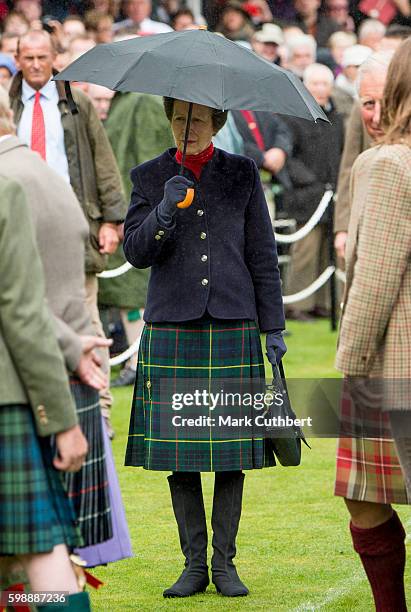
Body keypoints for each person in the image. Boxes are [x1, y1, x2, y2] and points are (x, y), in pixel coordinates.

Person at [123, 98, 286, 598]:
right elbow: (135, 252)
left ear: (215, 123)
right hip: (173, 325)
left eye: (196, 120)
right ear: (170, 122)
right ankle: (193, 565)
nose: (186, 128)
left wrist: (273, 328)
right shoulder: (150, 176)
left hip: (233, 322)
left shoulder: (241, 173)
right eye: (178, 119)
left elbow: (262, 253)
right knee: (183, 456)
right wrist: (165, 210)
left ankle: (225, 564)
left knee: (231, 456)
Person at [0, 89, 114, 552]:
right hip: (56, 368)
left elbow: (18, 305)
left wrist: (62, 419)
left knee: (39, 563)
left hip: (29, 381)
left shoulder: (9, 182)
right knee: (36, 566)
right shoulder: (44, 175)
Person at [9, 29, 126, 437]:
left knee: (86, 322)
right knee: (24, 316)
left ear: (55, 57)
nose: (37, 65)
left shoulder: (77, 103)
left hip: (73, 226)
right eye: (29, 58)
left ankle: (102, 412)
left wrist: (111, 221)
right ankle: (39, 408)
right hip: (19, 226)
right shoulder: (7, 106)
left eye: (44, 57)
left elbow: (103, 160)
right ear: (18, 59)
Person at [335, 37, 411, 612]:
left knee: (365, 497)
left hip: (392, 364)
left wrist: (348, 365)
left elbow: (375, 281)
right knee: (367, 495)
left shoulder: (388, 164)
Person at [0, 160, 90, 609]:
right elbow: (22, 312)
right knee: (41, 556)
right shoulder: (5, 191)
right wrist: (63, 421)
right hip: (5, 402)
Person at [96, 88, 175, 387]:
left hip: (133, 216)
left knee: (135, 293)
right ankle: (137, 360)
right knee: (129, 295)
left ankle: (139, 361)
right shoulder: (132, 102)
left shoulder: (142, 102)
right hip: (127, 213)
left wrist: (132, 213)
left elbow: (147, 161)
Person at [283, 62, 344, 321]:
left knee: (328, 251)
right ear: (305, 86)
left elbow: (342, 153)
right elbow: (289, 156)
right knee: (305, 250)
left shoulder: (338, 118)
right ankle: (297, 304)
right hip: (305, 195)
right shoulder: (292, 117)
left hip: (333, 193)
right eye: (315, 83)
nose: (320, 89)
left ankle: (325, 302)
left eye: (325, 83)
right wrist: (310, 181)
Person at [334, 51, 394, 260]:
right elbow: (348, 167)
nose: (377, 117)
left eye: (386, 102)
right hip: (368, 222)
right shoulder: (360, 113)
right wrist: (343, 226)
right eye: (369, 104)